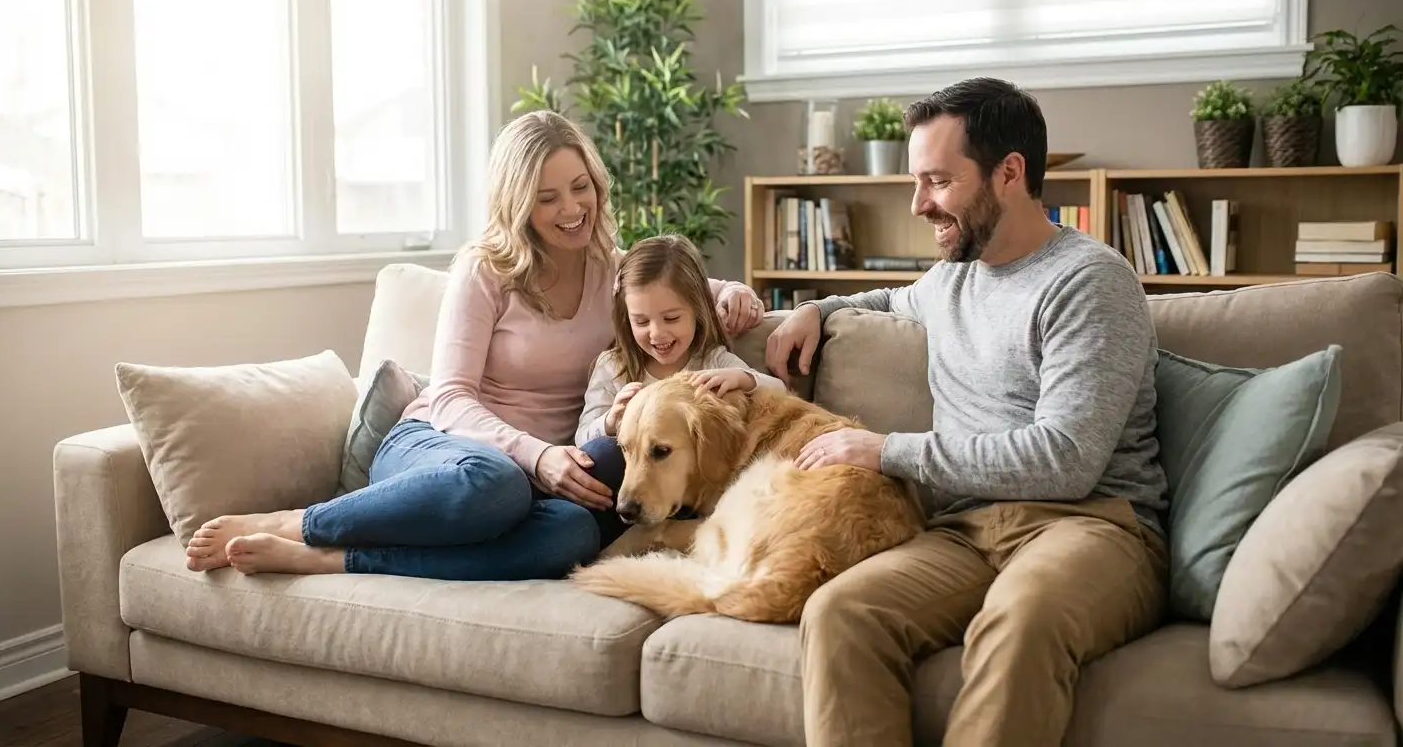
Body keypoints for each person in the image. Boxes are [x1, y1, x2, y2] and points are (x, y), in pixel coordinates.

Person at [181, 110, 765, 579]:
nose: (572, 209)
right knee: (496, 484)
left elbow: (685, 289)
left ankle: (337, 561)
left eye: (579, 187)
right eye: (547, 197)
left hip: (547, 477)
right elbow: (452, 399)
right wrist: (535, 455)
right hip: (444, 449)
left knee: (570, 537)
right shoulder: (483, 270)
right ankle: (302, 524)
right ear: (517, 203)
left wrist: (737, 292)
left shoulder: (614, 270)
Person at [764, 77, 1170, 747]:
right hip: (965, 529)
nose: (920, 204)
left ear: (1009, 173)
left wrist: (889, 450)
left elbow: (1065, 460)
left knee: (1024, 616)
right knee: (841, 610)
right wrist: (817, 308)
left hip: (1096, 526)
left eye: (938, 181)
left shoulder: (1089, 282)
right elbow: (884, 303)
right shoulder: (951, 277)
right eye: (916, 183)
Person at [576, 234, 785, 523]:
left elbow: (779, 390)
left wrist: (743, 378)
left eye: (671, 319)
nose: (657, 333)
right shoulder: (614, 367)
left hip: (696, 496)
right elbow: (582, 437)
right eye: (641, 321)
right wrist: (610, 421)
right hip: (627, 494)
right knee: (601, 455)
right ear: (626, 317)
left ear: (698, 311)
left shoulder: (712, 361)